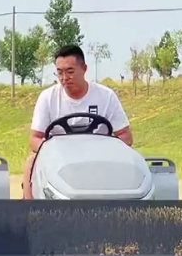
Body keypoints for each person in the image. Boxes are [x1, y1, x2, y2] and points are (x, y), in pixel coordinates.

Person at [22, 44, 133, 198]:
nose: (64, 78)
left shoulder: (106, 96)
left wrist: (105, 150)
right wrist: (52, 152)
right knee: (31, 161)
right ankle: (30, 214)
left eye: (70, 72)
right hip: (60, 161)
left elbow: (126, 137)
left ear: (84, 69)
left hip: (99, 160)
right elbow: (34, 138)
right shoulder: (48, 98)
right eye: (59, 73)